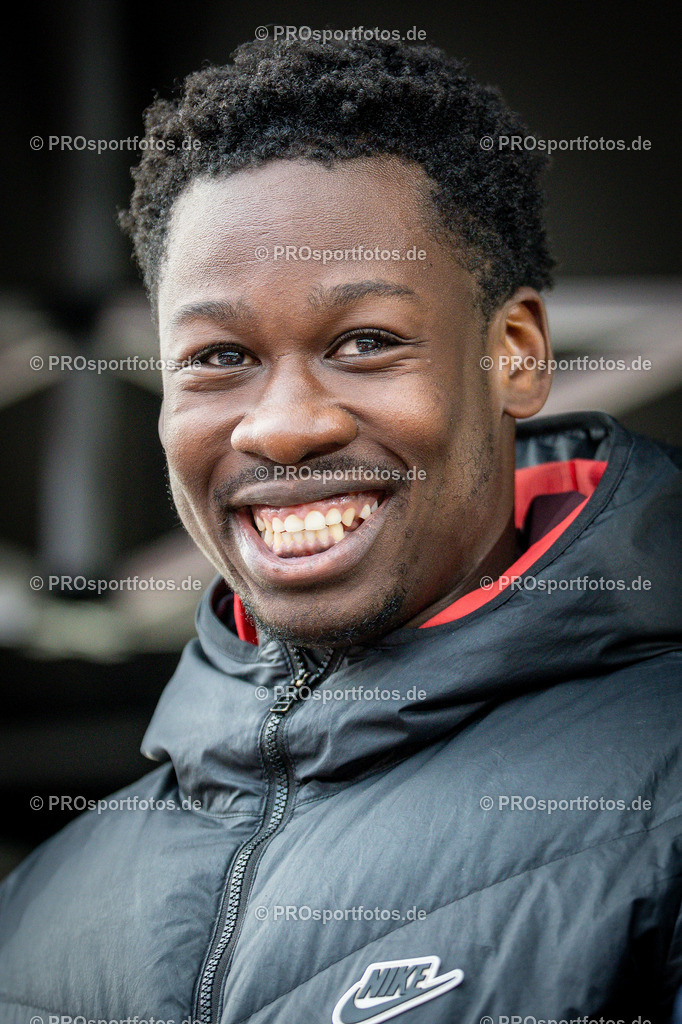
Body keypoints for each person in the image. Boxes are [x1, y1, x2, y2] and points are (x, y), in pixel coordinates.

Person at [1, 37, 681, 1024]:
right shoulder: (34, 912)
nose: (281, 426)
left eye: (365, 342)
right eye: (219, 356)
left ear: (516, 355)